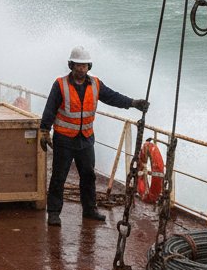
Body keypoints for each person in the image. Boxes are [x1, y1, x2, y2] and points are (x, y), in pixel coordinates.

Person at [39, 46, 149, 227]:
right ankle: (53, 213)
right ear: (71, 65)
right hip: (64, 140)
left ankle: (89, 210)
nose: (81, 69)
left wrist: (133, 103)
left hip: (86, 140)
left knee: (88, 176)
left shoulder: (96, 84)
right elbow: (50, 109)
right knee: (59, 177)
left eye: (84, 65)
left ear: (89, 66)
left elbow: (113, 97)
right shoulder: (60, 85)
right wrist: (44, 131)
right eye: (77, 65)